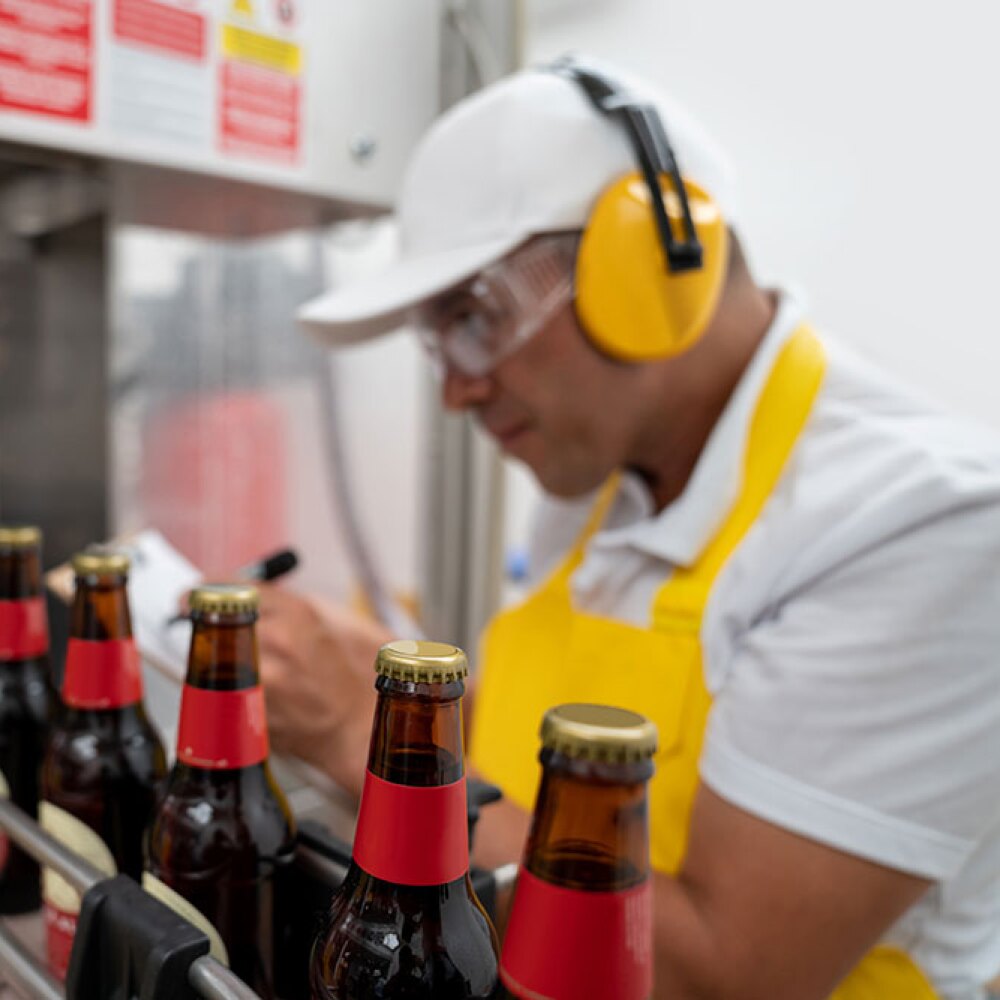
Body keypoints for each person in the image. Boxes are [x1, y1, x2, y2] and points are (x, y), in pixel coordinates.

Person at [266, 59, 1000, 999]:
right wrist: (422, 706)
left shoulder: (918, 522)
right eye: (437, 340)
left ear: (647, 265)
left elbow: (723, 975)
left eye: (475, 320)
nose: (455, 389)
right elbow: (563, 742)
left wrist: (353, 740)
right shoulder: (606, 467)